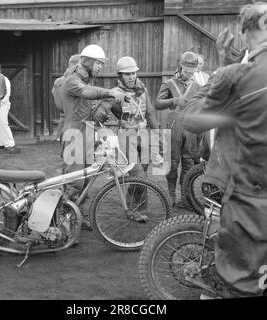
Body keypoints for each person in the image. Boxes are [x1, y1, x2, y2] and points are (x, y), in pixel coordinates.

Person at [182, 2, 267, 298]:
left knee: (234, 278)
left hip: (239, 189)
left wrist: (223, 70)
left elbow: (192, 118)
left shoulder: (245, 76)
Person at [61, 44, 124, 229]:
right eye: (98, 63)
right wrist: (110, 92)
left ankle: (77, 216)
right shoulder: (72, 80)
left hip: (86, 132)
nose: (100, 67)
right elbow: (86, 92)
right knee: (74, 180)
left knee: (87, 177)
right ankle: (64, 223)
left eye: (102, 64)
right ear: (86, 61)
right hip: (74, 133)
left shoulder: (84, 80)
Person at [100, 56, 163, 222]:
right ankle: (136, 210)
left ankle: (136, 208)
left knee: (142, 175)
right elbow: (101, 113)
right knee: (138, 175)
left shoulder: (143, 90)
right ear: (120, 76)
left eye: (134, 73)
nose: (132, 76)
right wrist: (111, 119)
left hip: (144, 135)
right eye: (127, 74)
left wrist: (157, 136)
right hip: (127, 137)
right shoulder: (115, 94)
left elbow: (149, 113)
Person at [154, 51, 201, 207]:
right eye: (186, 71)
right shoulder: (169, 84)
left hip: (191, 129)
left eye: (191, 72)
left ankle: (186, 197)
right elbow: (157, 104)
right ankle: (171, 195)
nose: (188, 75)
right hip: (173, 127)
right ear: (180, 67)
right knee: (171, 163)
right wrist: (174, 100)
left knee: (188, 164)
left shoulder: (198, 86)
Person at [52, 54, 80, 142]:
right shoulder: (72, 81)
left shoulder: (58, 81)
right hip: (72, 118)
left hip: (63, 114)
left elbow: (53, 93)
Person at [0, 64, 20, 154]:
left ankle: (10, 144)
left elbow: (7, 94)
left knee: (3, 122)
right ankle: (1, 143)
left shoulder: (4, 79)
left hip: (4, 104)